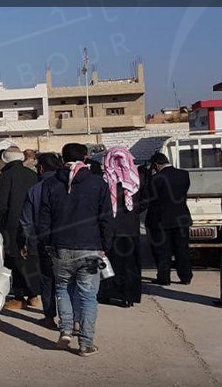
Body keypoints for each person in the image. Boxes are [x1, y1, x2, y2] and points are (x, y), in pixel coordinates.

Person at [38, 142, 113, 357]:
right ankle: (86, 343)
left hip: (60, 246)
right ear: (86, 157)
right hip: (90, 248)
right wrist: (105, 246)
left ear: (62, 159)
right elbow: (106, 219)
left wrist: (47, 245)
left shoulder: (51, 184)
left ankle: (66, 330)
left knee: (62, 288)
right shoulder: (98, 184)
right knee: (88, 296)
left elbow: (44, 220)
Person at [18, 152, 63, 328]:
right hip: (66, 240)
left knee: (47, 279)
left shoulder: (35, 189)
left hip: (41, 242)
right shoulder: (67, 185)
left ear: (41, 168)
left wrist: (29, 242)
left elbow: (26, 221)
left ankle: (50, 316)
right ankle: (71, 320)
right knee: (67, 281)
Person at [0, 146, 39, 310]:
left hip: (12, 225)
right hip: (32, 223)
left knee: (15, 260)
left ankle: (19, 297)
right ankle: (34, 295)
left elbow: (1, 205)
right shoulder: (33, 175)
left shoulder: (6, 177)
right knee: (30, 260)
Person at [98, 146, 145, 307]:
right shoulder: (137, 179)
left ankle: (107, 294)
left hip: (109, 229)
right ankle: (129, 296)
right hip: (130, 229)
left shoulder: (103, 179)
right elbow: (144, 202)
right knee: (130, 264)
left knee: (109, 264)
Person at [145, 152, 193, 286]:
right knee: (182, 249)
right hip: (181, 218)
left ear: (156, 165)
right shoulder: (184, 174)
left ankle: (164, 277)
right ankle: (186, 276)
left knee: (162, 250)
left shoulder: (156, 178)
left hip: (160, 220)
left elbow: (150, 196)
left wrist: (148, 177)